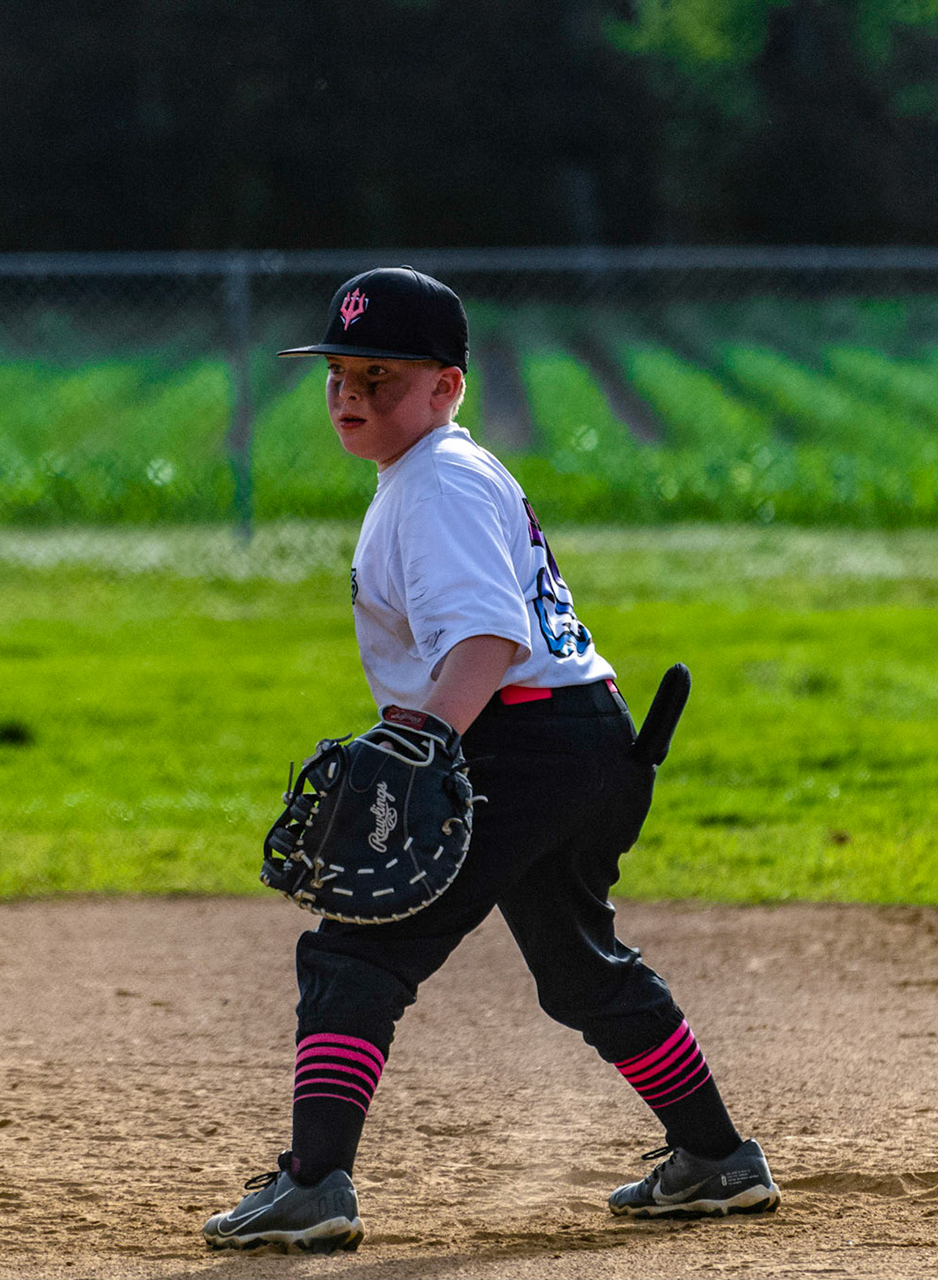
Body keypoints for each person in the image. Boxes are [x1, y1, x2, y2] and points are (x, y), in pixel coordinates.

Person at [202, 267, 779, 1254]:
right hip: (578, 736)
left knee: (355, 949)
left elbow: (486, 635)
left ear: (446, 387)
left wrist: (423, 745)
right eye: (338, 373)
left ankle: (312, 1183)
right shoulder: (434, 474)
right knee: (579, 967)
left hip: (522, 738)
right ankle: (716, 1158)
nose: (349, 393)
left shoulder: (436, 482)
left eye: (379, 376)